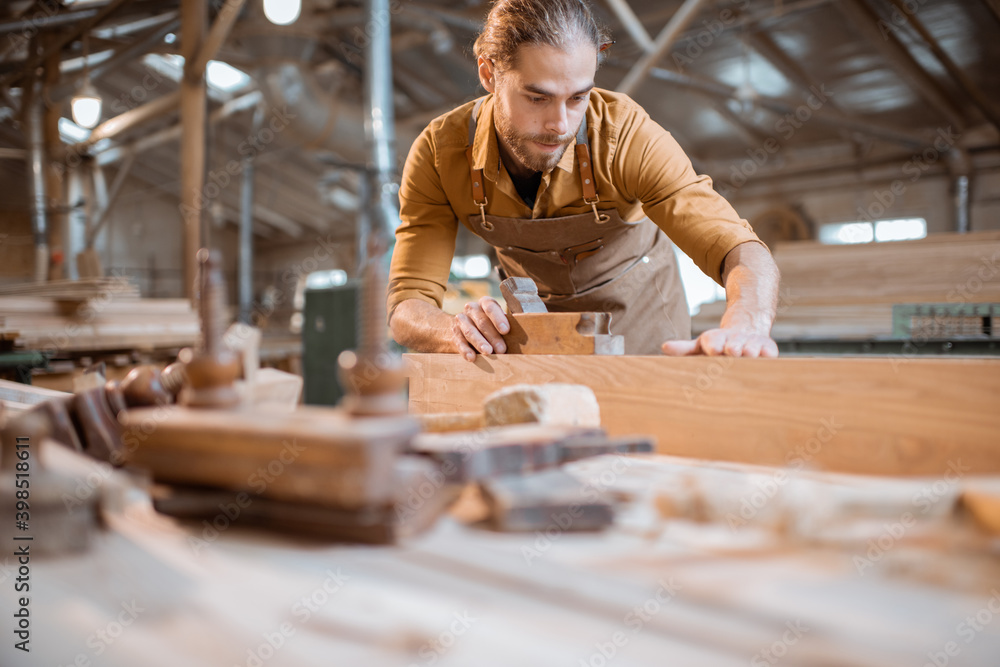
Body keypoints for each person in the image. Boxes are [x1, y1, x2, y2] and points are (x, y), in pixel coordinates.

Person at [387, 0, 779, 360]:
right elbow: (407, 305)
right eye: (537, 98)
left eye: (577, 98)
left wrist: (746, 324)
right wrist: (454, 329)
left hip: (643, 327)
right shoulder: (440, 154)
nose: (560, 125)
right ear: (489, 74)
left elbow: (737, 248)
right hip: (535, 341)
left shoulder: (626, 137)